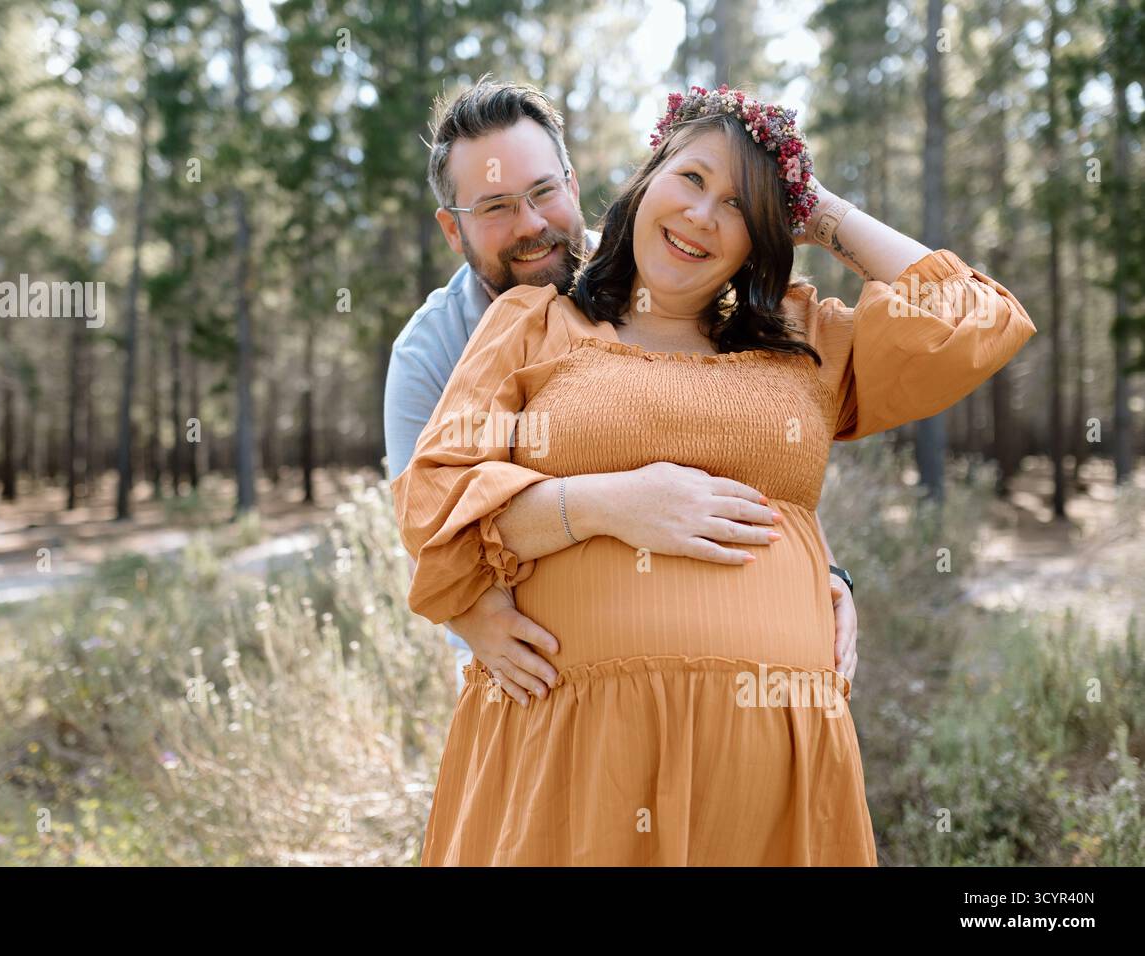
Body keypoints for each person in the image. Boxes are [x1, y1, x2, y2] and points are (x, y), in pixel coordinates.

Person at [391, 82, 1037, 865]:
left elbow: (977, 318)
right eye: (691, 179)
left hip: (770, 769)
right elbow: (435, 507)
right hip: (574, 751)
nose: (703, 215)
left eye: (739, 205)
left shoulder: (801, 338)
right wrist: (612, 504)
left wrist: (820, 207)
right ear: (646, 179)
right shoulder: (526, 323)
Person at [384, 77, 858, 700]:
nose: (531, 224)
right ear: (454, 230)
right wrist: (473, 620)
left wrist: (819, 568)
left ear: (572, 185)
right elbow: (430, 518)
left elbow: (747, 433)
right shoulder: (430, 352)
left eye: (543, 191)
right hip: (530, 675)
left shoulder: (664, 267)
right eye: (495, 207)